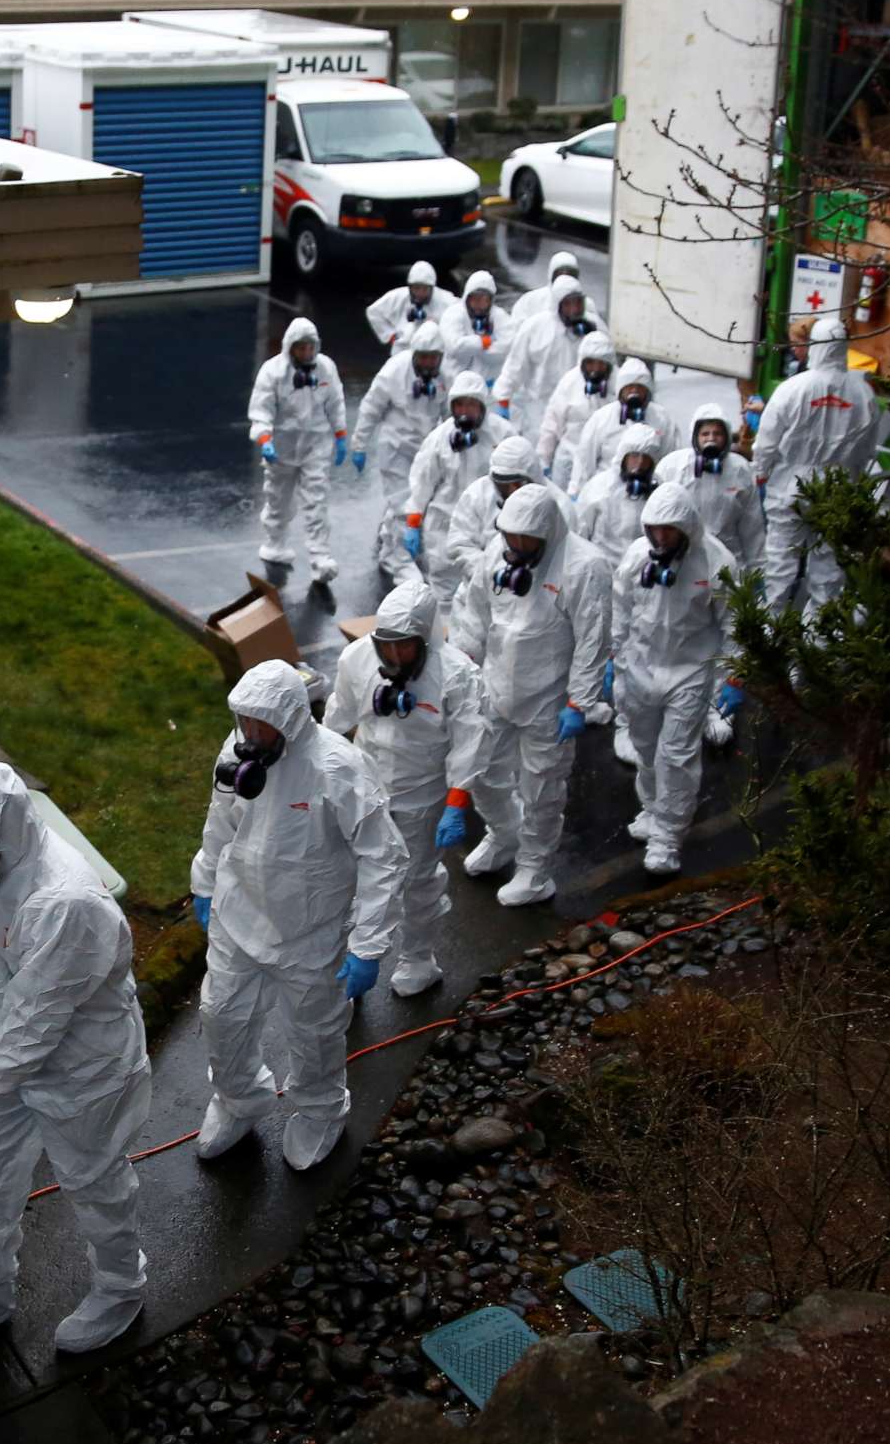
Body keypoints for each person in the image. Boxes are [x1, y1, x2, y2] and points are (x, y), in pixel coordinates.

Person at [0, 761, 153, 1352]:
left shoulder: (64, 899)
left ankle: (120, 1288)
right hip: (9, 1060)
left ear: (5, 832)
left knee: (94, 1181)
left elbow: (37, 1016)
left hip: (84, 1066)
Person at [191, 660, 407, 1170]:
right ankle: (238, 1098)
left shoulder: (337, 767)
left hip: (309, 932)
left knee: (312, 1033)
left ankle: (320, 1111)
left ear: (289, 718)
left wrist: (368, 945)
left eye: (258, 723)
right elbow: (219, 820)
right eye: (242, 721)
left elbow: (382, 854)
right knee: (221, 1017)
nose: (248, 734)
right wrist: (204, 881)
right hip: (238, 915)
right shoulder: (238, 753)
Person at [326, 581, 487, 997]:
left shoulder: (456, 675)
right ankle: (350, 953)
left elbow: (471, 741)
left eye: (406, 647)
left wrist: (456, 803)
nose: (395, 657)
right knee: (352, 875)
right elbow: (334, 723)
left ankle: (418, 958)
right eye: (388, 646)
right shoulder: (357, 659)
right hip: (363, 788)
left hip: (423, 796)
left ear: (426, 638)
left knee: (417, 881)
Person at [455, 483, 601, 906]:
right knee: (481, 770)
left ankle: (534, 870)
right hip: (496, 687)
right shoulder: (495, 554)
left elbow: (592, 639)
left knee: (541, 787)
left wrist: (579, 701)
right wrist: (464, 670)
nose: (516, 547)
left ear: (548, 533)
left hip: (549, 702)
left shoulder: (583, 567)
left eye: (526, 540)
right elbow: (475, 616)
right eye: (510, 538)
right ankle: (503, 835)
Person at [598, 478, 739, 877]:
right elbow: (621, 610)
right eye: (654, 529)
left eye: (669, 529)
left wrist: (732, 678)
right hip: (640, 669)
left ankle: (668, 838)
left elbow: (733, 624)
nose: (661, 537)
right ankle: (654, 808)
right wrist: (614, 660)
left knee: (676, 754)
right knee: (644, 748)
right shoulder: (636, 557)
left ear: (687, 527)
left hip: (689, 671)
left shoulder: (715, 561)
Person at [754, 315, 890, 618]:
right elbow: (867, 450)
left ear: (815, 346)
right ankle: (818, 637)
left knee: (780, 564)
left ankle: (770, 632)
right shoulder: (863, 394)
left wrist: (760, 471)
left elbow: (767, 440)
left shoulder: (793, 389)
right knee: (827, 568)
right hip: (839, 489)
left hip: (790, 487)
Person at [657, 404, 766, 748]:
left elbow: (753, 528)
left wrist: (757, 572)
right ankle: (675, 701)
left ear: (726, 437)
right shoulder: (674, 468)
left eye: (717, 434)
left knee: (725, 637)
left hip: (727, 568)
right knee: (681, 633)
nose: (711, 439)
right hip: (685, 563)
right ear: (694, 437)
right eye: (704, 434)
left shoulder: (740, 473)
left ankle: (719, 707)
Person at [569, 428, 668, 764]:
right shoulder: (597, 491)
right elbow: (579, 538)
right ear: (622, 458)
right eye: (633, 457)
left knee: (634, 653)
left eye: (646, 459)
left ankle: (627, 723)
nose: (639, 465)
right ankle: (585, 699)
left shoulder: (661, 494)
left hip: (645, 582)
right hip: (603, 583)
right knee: (589, 643)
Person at [246, 316, 350, 583]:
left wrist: (340, 433)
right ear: (290, 347)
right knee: (278, 500)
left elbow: (336, 402)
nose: (306, 353)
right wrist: (265, 439)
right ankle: (275, 543)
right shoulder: (273, 372)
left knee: (316, 502)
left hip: (315, 446)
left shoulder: (326, 368)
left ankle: (320, 558)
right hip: (281, 448)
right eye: (301, 347)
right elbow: (261, 409)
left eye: (310, 347)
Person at [354, 319, 450, 586]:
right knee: (402, 504)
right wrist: (358, 443)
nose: (430, 364)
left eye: (434, 358)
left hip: (426, 451)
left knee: (420, 501)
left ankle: (390, 540)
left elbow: (451, 414)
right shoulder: (393, 371)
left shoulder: (445, 376)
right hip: (395, 448)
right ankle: (397, 561)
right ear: (415, 355)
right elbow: (371, 407)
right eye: (425, 358)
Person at [400, 371, 503, 577]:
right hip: (443, 528)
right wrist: (413, 518)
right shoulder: (439, 439)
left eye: (471, 405)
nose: (465, 411)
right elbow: (422, 481)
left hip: (489, 525)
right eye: (460, 405)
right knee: (443, 593)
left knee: (486, 588)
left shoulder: (501, 435)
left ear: (483, 406)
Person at [493, 273, 599, 444]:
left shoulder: (594, 329)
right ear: (558, 304)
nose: (574, 309)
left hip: (579, 409)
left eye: (577, 303)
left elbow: (609, 364)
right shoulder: (535, 328)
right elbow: (515, 367)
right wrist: (503, 398)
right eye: (568, 304)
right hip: (539, 409)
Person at [439, 433, 541, 601]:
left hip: (534, 599)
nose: (513, 491)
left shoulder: (554, 505)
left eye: (518, 484)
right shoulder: (478, 495)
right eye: (505, 485)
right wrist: (492, 573)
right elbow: (460, 543)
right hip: (479, 595)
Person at [570, 357, 685, 489]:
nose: (634, 392)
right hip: (606, 492)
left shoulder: (663, 419)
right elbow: (584, 459)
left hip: (647, 492)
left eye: (639, 388)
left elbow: (670, 460)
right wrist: (578, 490)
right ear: (620, 391)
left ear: (648, 391)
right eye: (630, 388)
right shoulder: (602, 419)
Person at [538, 331, 617, 490]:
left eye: (600, 364)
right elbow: (552, 423)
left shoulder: (620, 385)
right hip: (569, 458)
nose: (595, 370)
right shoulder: (569, 383)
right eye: (590, 364)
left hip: (604, 464)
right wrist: (543, 460)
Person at [436, 269, 504, 388]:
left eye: (484, 300)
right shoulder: (453, 314)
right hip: (455, 387)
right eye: (476, 299)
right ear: (468, 297)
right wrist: (483, 342)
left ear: (490, 301)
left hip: (489, 389)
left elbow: (507, 347)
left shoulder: (500, 317)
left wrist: (476, 349)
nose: (480, 304)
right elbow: (455, 346)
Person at [365, 259, 446, 355]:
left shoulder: (445, 300)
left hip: (432, 353)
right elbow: (373, 312)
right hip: (403, 350)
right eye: (416, 288)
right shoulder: (397, 297)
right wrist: (389, 335)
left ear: (432, 287)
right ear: (410, 287)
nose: (420, 293)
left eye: (425, 289)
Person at [511, 255, 601, 330]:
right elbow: (516, 330)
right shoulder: (530, 300)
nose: (564, 278)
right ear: (551, 275)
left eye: (570, 274)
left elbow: (596, 335)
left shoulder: (587, 304)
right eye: (560, 274)